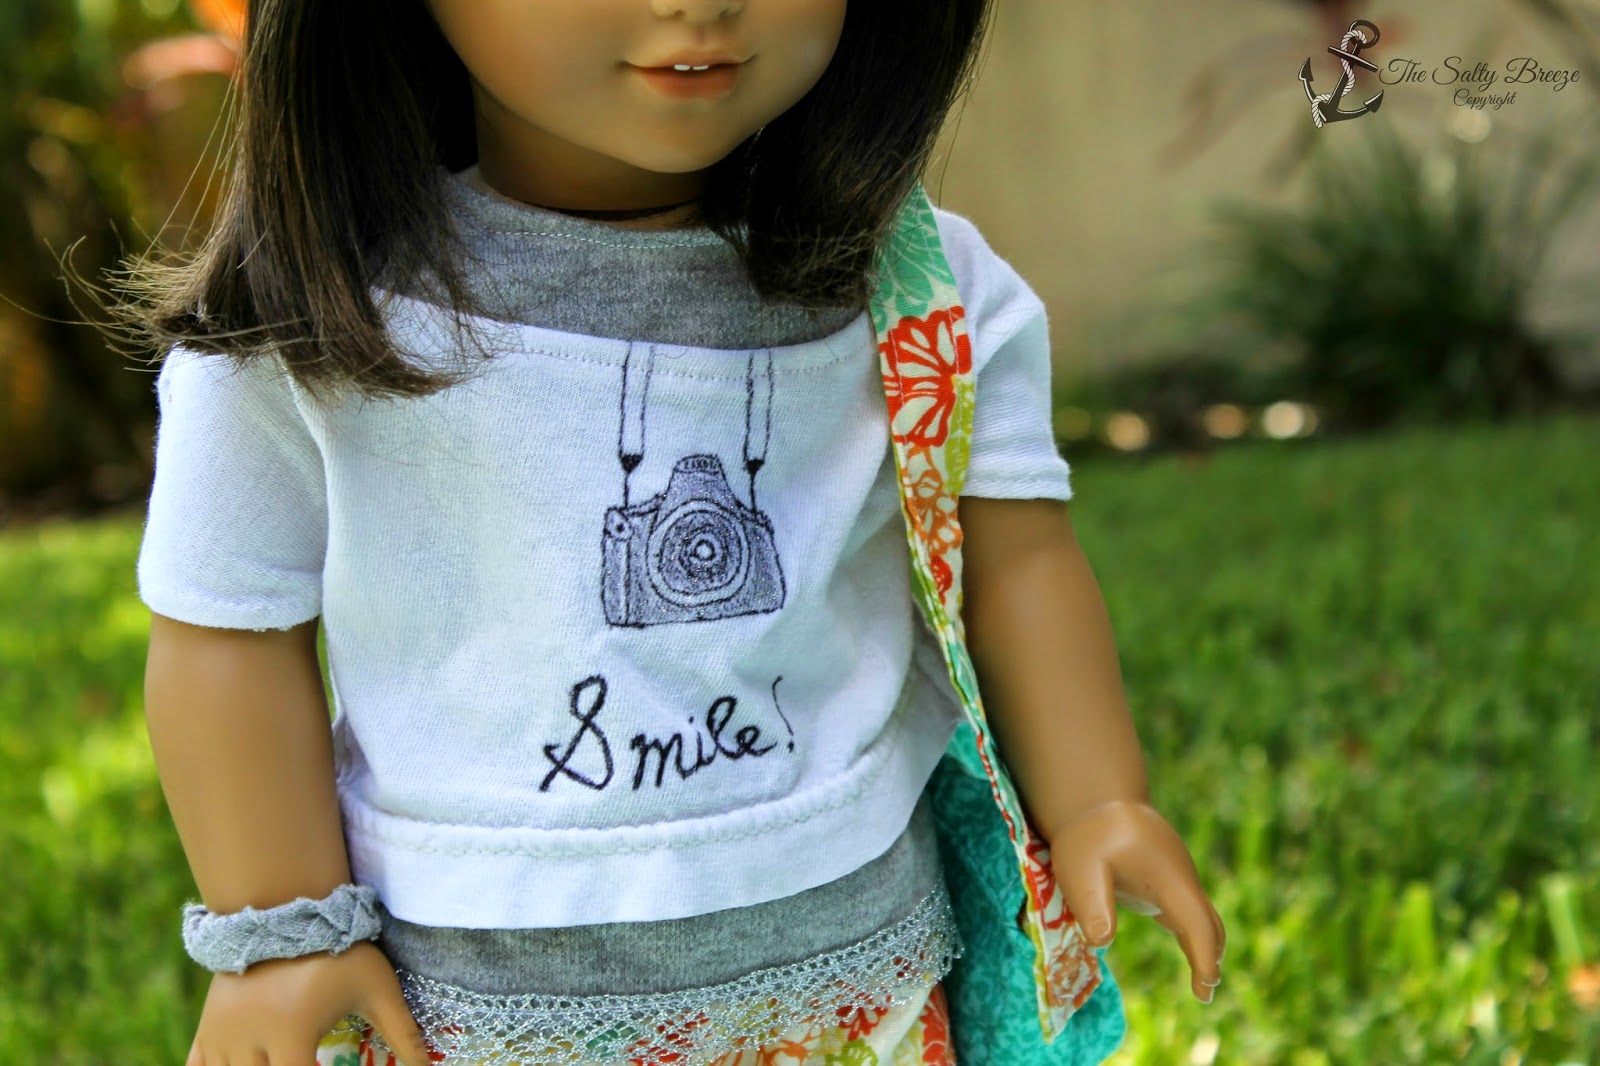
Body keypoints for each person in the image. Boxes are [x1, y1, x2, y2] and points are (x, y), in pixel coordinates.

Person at [123, 1, 1225, 1064]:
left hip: (861, 985)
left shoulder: (920, 292)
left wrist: (1096, 796)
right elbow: (230, 636)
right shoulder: (315, 319)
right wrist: (283, 928)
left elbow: (1017, 559)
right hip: (472, 1011)